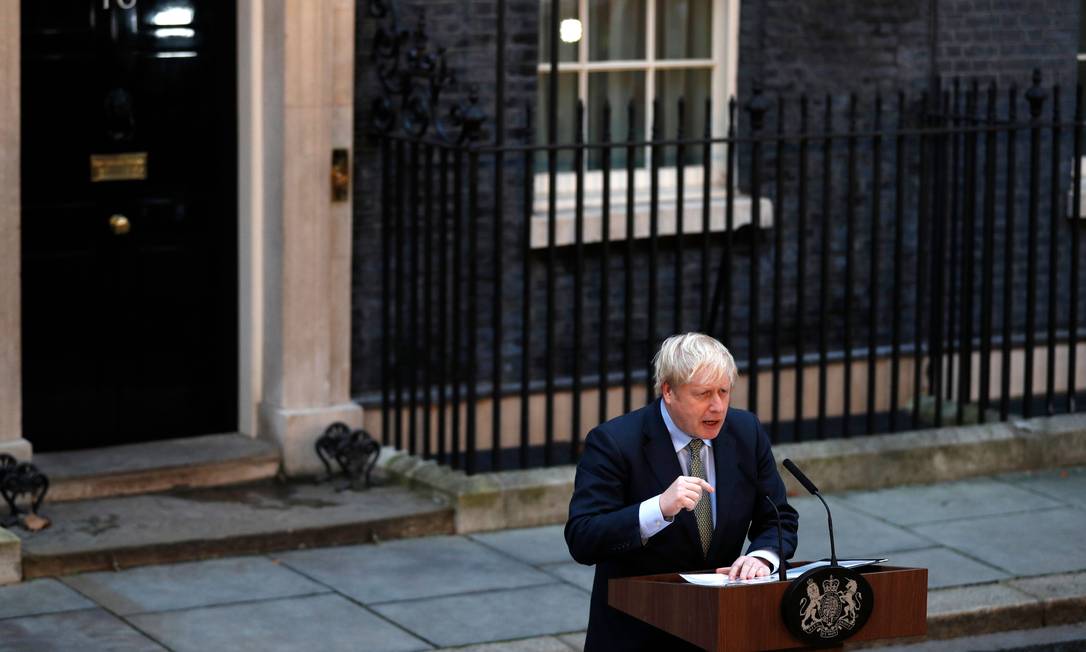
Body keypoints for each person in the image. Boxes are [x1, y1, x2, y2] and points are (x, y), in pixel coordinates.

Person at [565, 332, 799, 651]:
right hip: (639, 632)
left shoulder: (745, 432)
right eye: (703, 394)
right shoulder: (615, 443)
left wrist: (762, 557)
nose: (717, 407)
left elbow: (779, 518)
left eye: (723, 392)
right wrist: (658, 509)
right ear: (669, 392)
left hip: (721, 629)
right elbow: (582, 538)